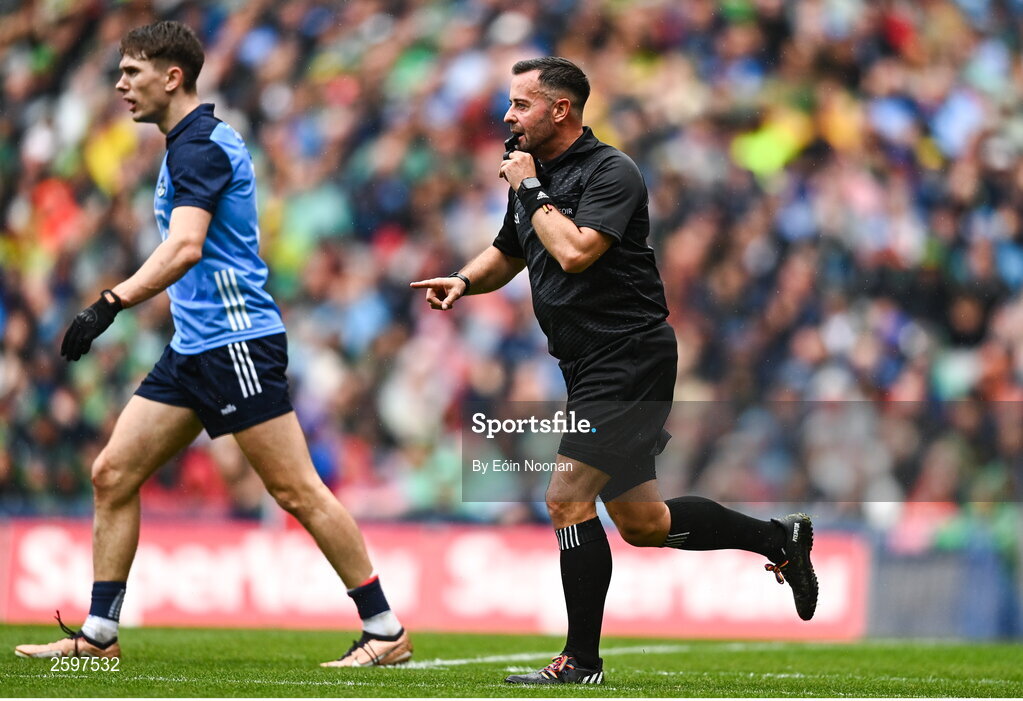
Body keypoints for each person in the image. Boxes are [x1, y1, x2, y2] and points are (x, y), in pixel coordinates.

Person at [14, 21, 411, 668]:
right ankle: (99, 635)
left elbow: (186, 245)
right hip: (194, 346)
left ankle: (384, 627)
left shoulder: (197, 147)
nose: (119, 84)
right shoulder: (190, 143)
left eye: (132, 72)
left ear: (172, 77)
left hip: (237, 345)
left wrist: (110, 301)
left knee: (297, 491)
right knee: (112, 473)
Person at [411, 57, 817, 685]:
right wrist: (464, 281)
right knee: (642, 523)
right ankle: (777, 540)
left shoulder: (611, 172)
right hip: (587, 364)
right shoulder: (536, 179)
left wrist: (528, 190)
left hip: (629, 356)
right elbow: (508, 253)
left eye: (520, 104)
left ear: (560, 110)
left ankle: (581, 662)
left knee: (566, 497)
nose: (507, 115)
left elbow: (574, 253)